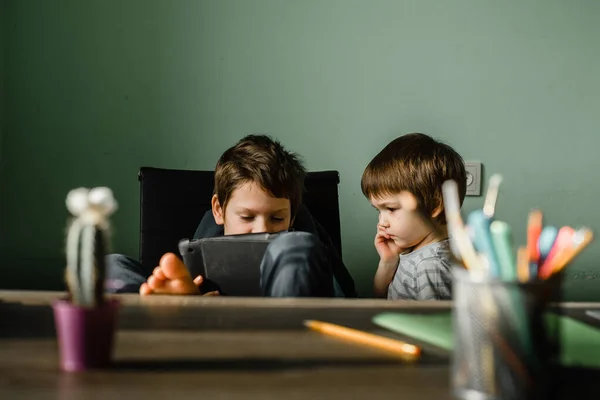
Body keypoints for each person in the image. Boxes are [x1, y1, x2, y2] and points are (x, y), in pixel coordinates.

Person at [106, 134, 357, 298]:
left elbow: (341, 300)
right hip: (209, 322)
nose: (262, 229)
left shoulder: (302, 239)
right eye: (247, 218)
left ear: (292, 217)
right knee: (111, 264)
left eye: (277, 219)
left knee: (296, 246)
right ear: (218, 210)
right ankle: (158, 309)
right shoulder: (205, 239)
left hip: (288, 320)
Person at [360, 133, 466, 300]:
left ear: (434, 204)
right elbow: (380, 298)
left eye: (391, 208)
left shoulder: (431, 265)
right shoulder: (415, 248)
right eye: (378, 211)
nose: (382, 223)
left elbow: (435, 325)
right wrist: (388, 261)